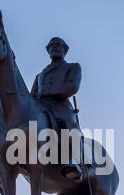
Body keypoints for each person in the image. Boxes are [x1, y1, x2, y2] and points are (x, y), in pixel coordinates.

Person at [31, 37, 83, 181]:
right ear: (48, 51)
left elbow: (72, 87)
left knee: (69, 125)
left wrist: (50, 93)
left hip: (60, 105)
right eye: (51, 45)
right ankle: (6, 169)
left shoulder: (73, 67)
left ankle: (74, 161)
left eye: (58, 44)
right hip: (40, 107)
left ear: (65, 50)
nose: (55, 47)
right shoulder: (39, 75)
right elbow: (31, 96)